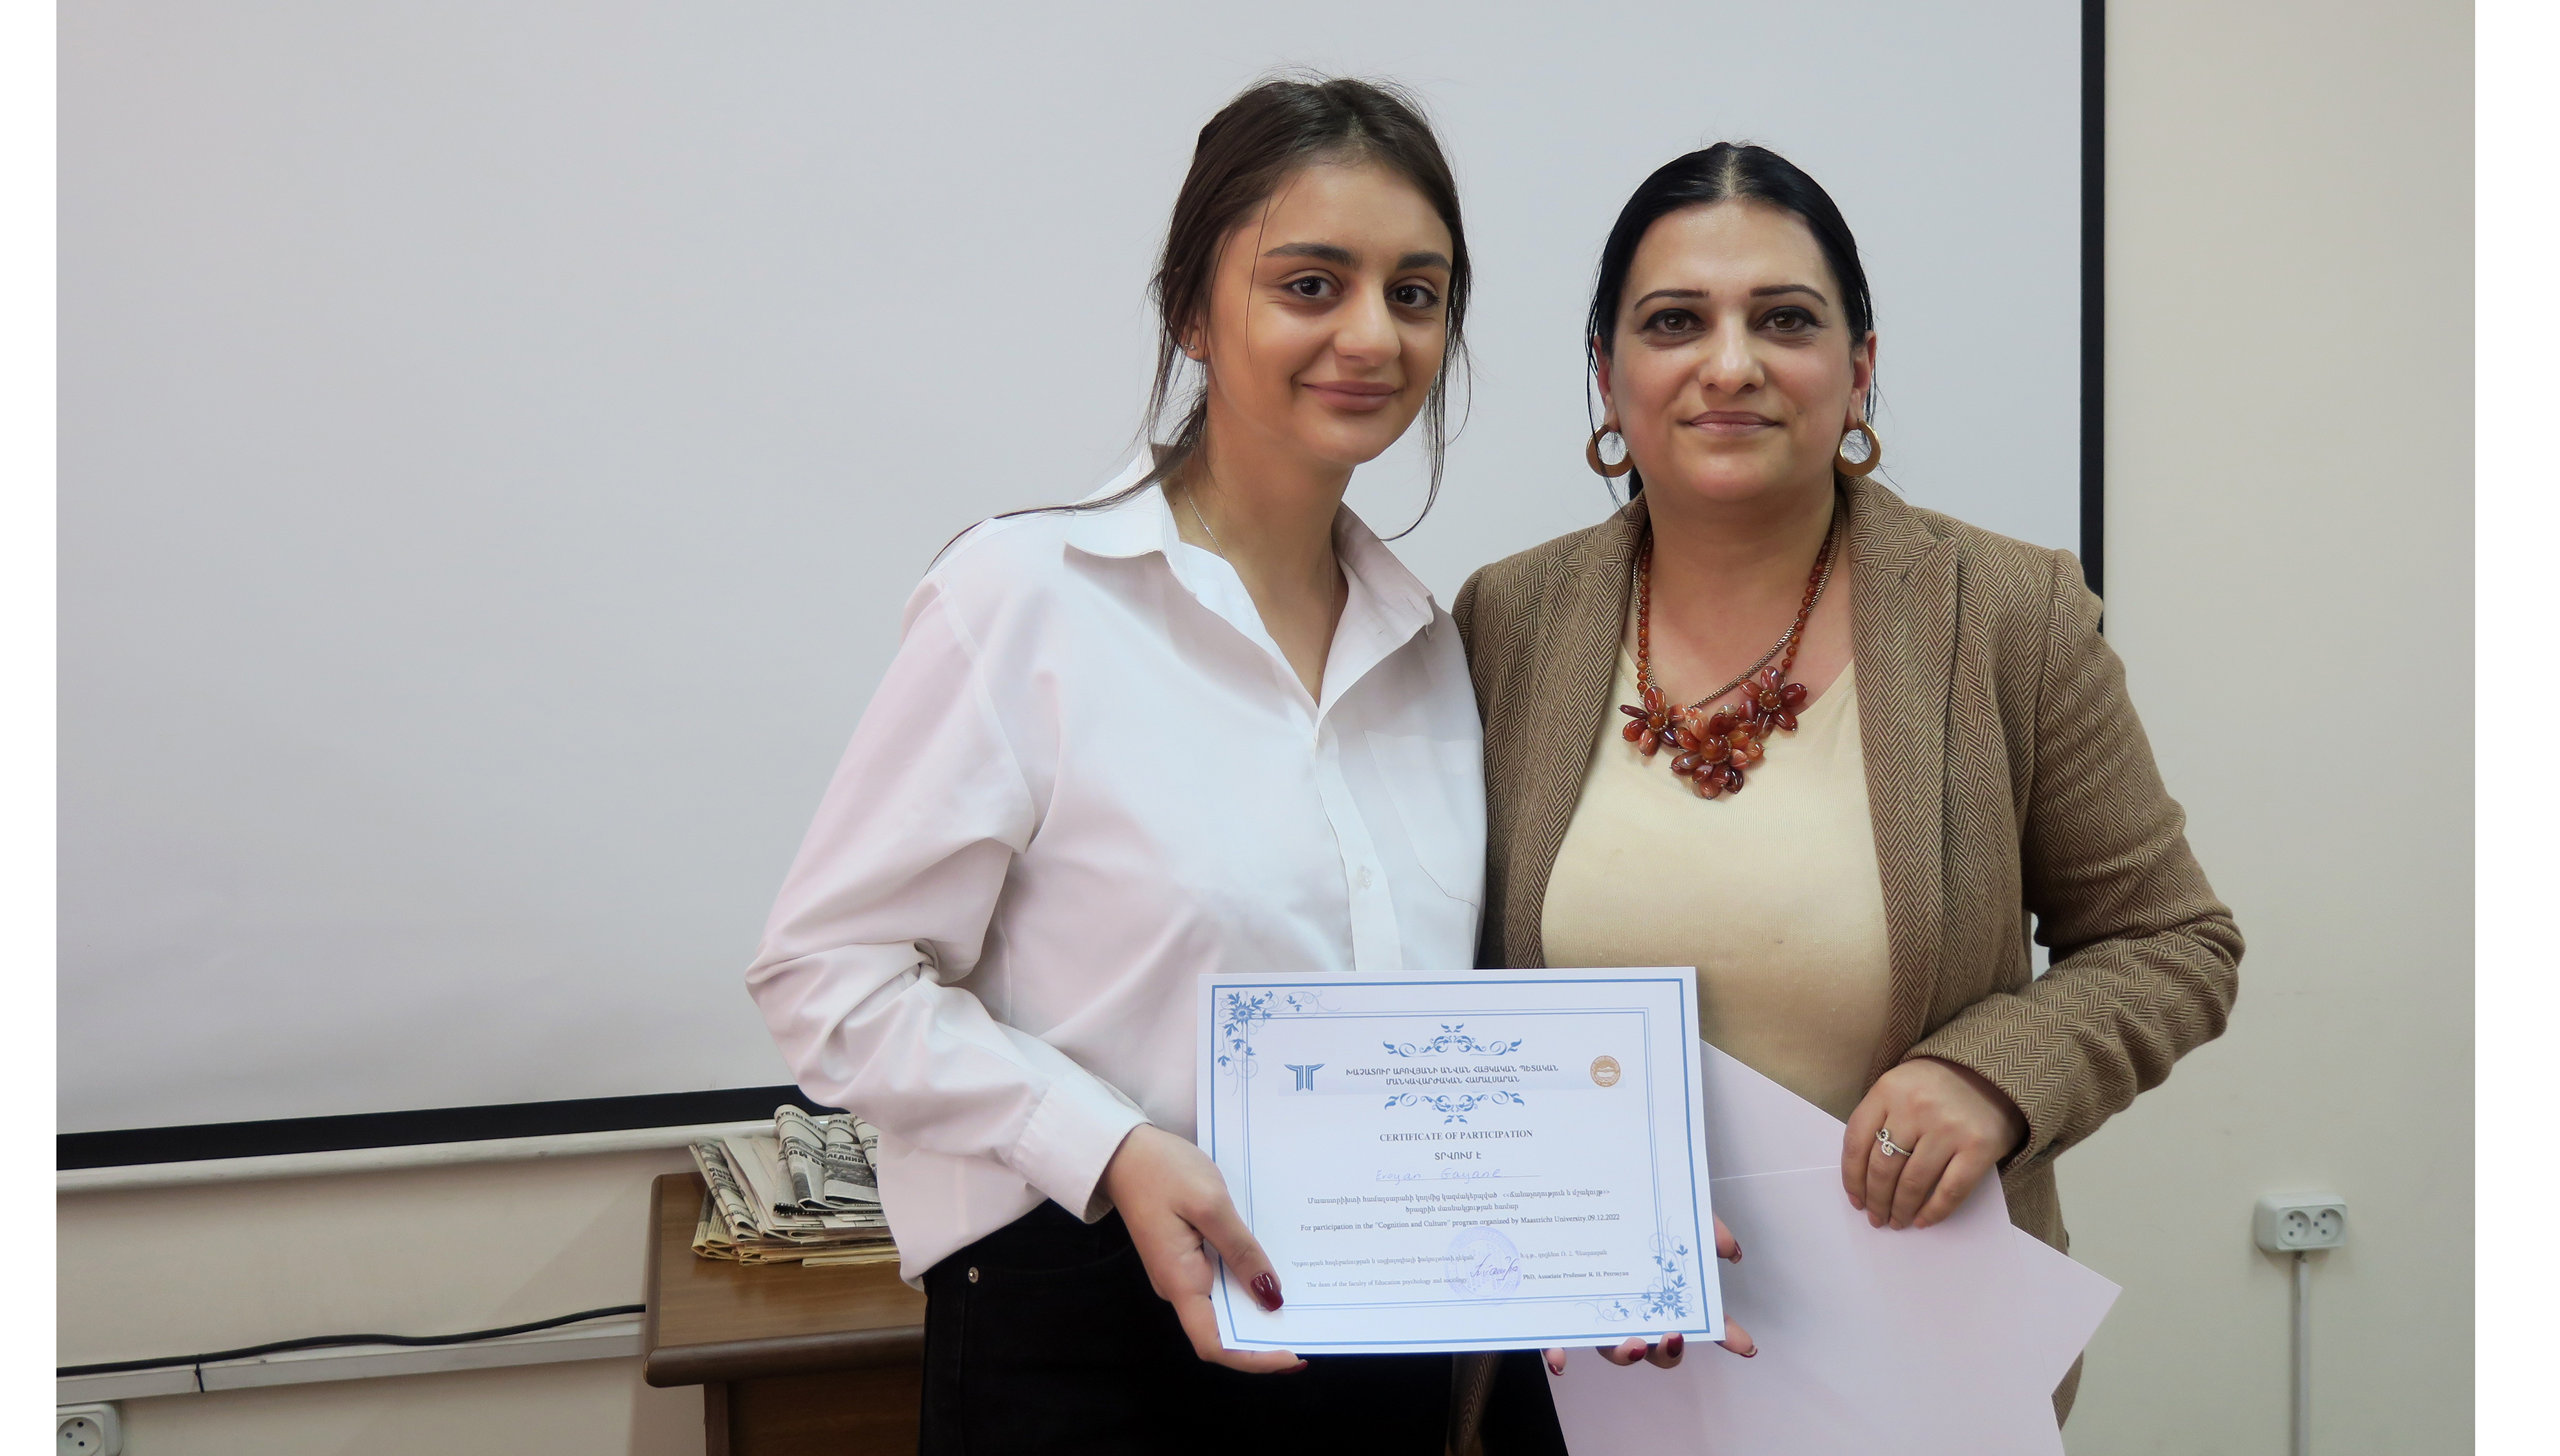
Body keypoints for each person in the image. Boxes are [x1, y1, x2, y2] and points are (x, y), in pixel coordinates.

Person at [745, 76, 1586, 1455]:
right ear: (1191, 311)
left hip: (1368, 1337)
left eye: (1415, 294)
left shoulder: (1431, 648)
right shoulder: (1026, 595)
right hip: (1084, 1328)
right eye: (1310, 284)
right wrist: (1110, 1147)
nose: (1372, 335)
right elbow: (825, 975)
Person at [1454, 142, 2243, 1433]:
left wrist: (1995, 1076)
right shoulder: (1507, 621)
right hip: (1594, 1373)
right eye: (1673, 322)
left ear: (1860, 364)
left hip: (1914, 1366)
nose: (1729, 364)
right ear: (1605, 373)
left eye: (1784, 320)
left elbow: (2173, 941)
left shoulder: (2006, 613)